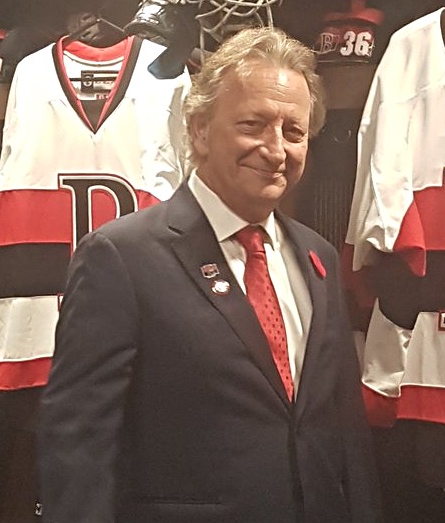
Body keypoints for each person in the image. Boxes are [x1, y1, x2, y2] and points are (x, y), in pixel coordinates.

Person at [37, 26, 381, 523]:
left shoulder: (318, 259)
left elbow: (348, 436)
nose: (275, 149)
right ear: (198, 128)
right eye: (253, 125)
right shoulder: (120, 258)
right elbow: (77, 446)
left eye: (293, 131)